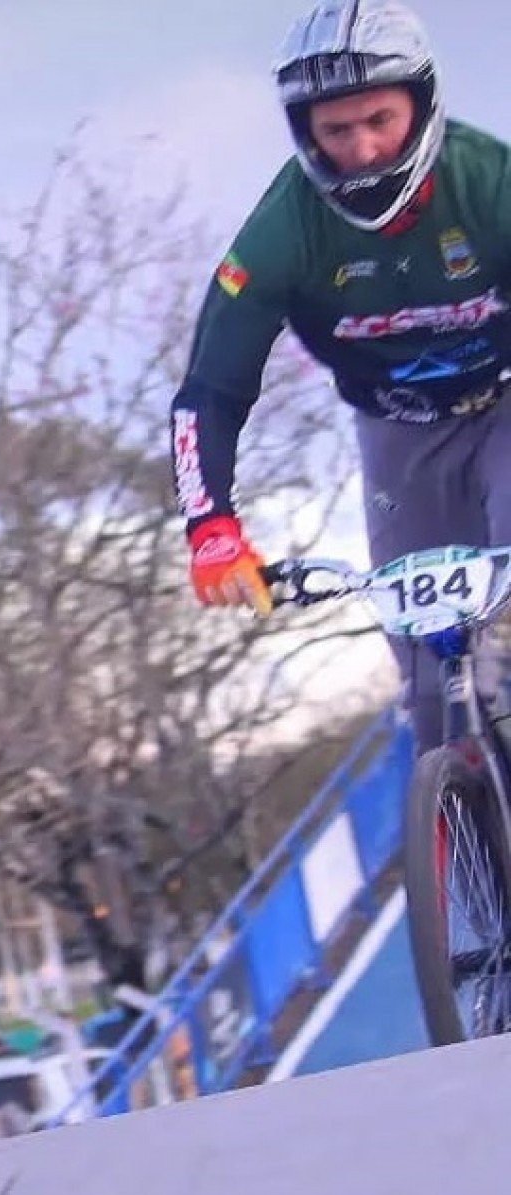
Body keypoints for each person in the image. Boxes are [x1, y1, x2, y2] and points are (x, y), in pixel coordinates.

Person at [171, 0, 511, 752]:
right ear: (306, 134)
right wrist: (212, 527)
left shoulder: (490, 182)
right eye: (336, 129)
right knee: (432, 694)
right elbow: (210, 390)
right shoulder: (283, 230)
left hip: (505, 405)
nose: (361, 150)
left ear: (421, 106)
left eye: (379, 120)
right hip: (398, 435)